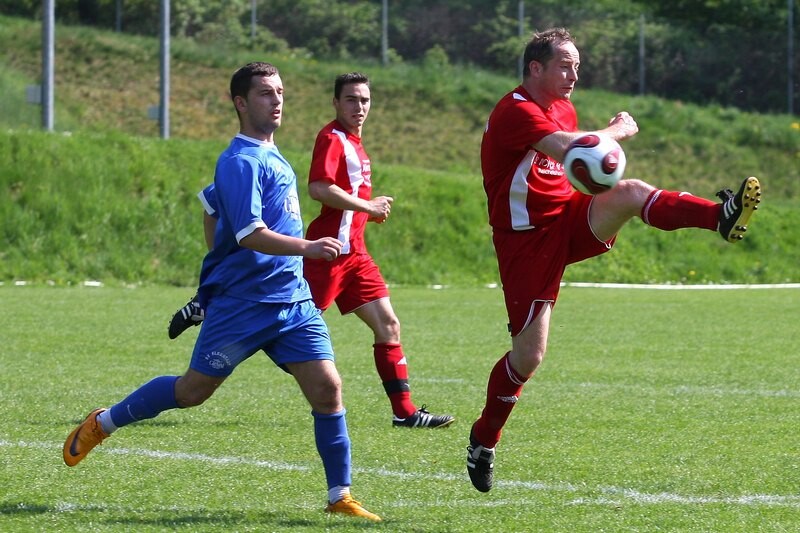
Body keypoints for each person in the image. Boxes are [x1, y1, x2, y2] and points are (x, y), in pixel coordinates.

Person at [63, 62, 381, 522]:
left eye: (280, 92)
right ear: (240, 103)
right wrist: (305, 248)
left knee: (328, 388)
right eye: (265, 93)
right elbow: (250, 232)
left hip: (292, 302)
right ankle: (103, 422)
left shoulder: (272, 156)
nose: (277, 100)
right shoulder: (240, 160)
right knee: (192, 392)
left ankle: (339, 497)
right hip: (243, 307)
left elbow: (210, 203)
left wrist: (222, 251)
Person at [466, 28, 761, 493]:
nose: (574, 75)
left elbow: (579, 162)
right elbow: (570, 149)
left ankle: (719, 217)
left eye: (577, 66)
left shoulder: (563, 108)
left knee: (630, 192)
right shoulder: (515, 110)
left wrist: (600, 168)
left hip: (566, 218)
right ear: (535, 68)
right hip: (525, 241)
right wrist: (616, 132)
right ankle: (484, 438)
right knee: (529, 357)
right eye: (565, 66)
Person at [173, 72, 455, 430]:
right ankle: (210, 303)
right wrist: (366, 207)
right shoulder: (330, 139)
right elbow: (319, 187)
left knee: (388, 325)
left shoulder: (355, 144)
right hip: (326, 254)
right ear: (335, 103)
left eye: (365, 100)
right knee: (286, 326)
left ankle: (405, 412)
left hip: (356, 255)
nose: (359, 107)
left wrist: (364, 213)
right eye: (350, 99)